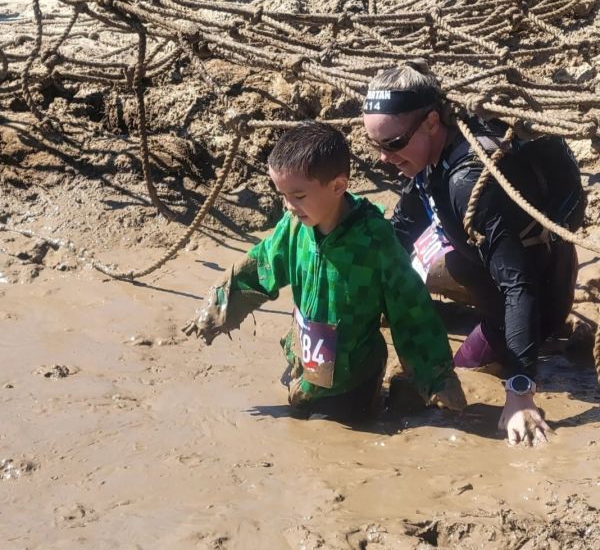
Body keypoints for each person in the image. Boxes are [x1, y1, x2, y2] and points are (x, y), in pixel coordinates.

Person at [363, 60, 584, 445]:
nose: (384, 157)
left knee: (466, 369)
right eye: (376, 145)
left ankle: (521, 339)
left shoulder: (467, 183)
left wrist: (519, 396)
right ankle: (464, 316)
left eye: (393, 143)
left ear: (432, 122)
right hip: (484, 264)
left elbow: (520, 289)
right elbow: (397, 233)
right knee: (421, 264)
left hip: (538, 289)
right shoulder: (433, 155)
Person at [183, 121, 466, 419]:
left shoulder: (374, 241)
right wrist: (219, 305)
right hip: (304, 363)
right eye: (282, 195)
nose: (289, 206)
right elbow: (260, 268)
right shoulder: (293, 228)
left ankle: (402, 391)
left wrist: (438, 378)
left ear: (337, 186)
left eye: (299, 196)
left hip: (351, 379)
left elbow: (410, 308)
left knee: (332, 437)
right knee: (297, 421)